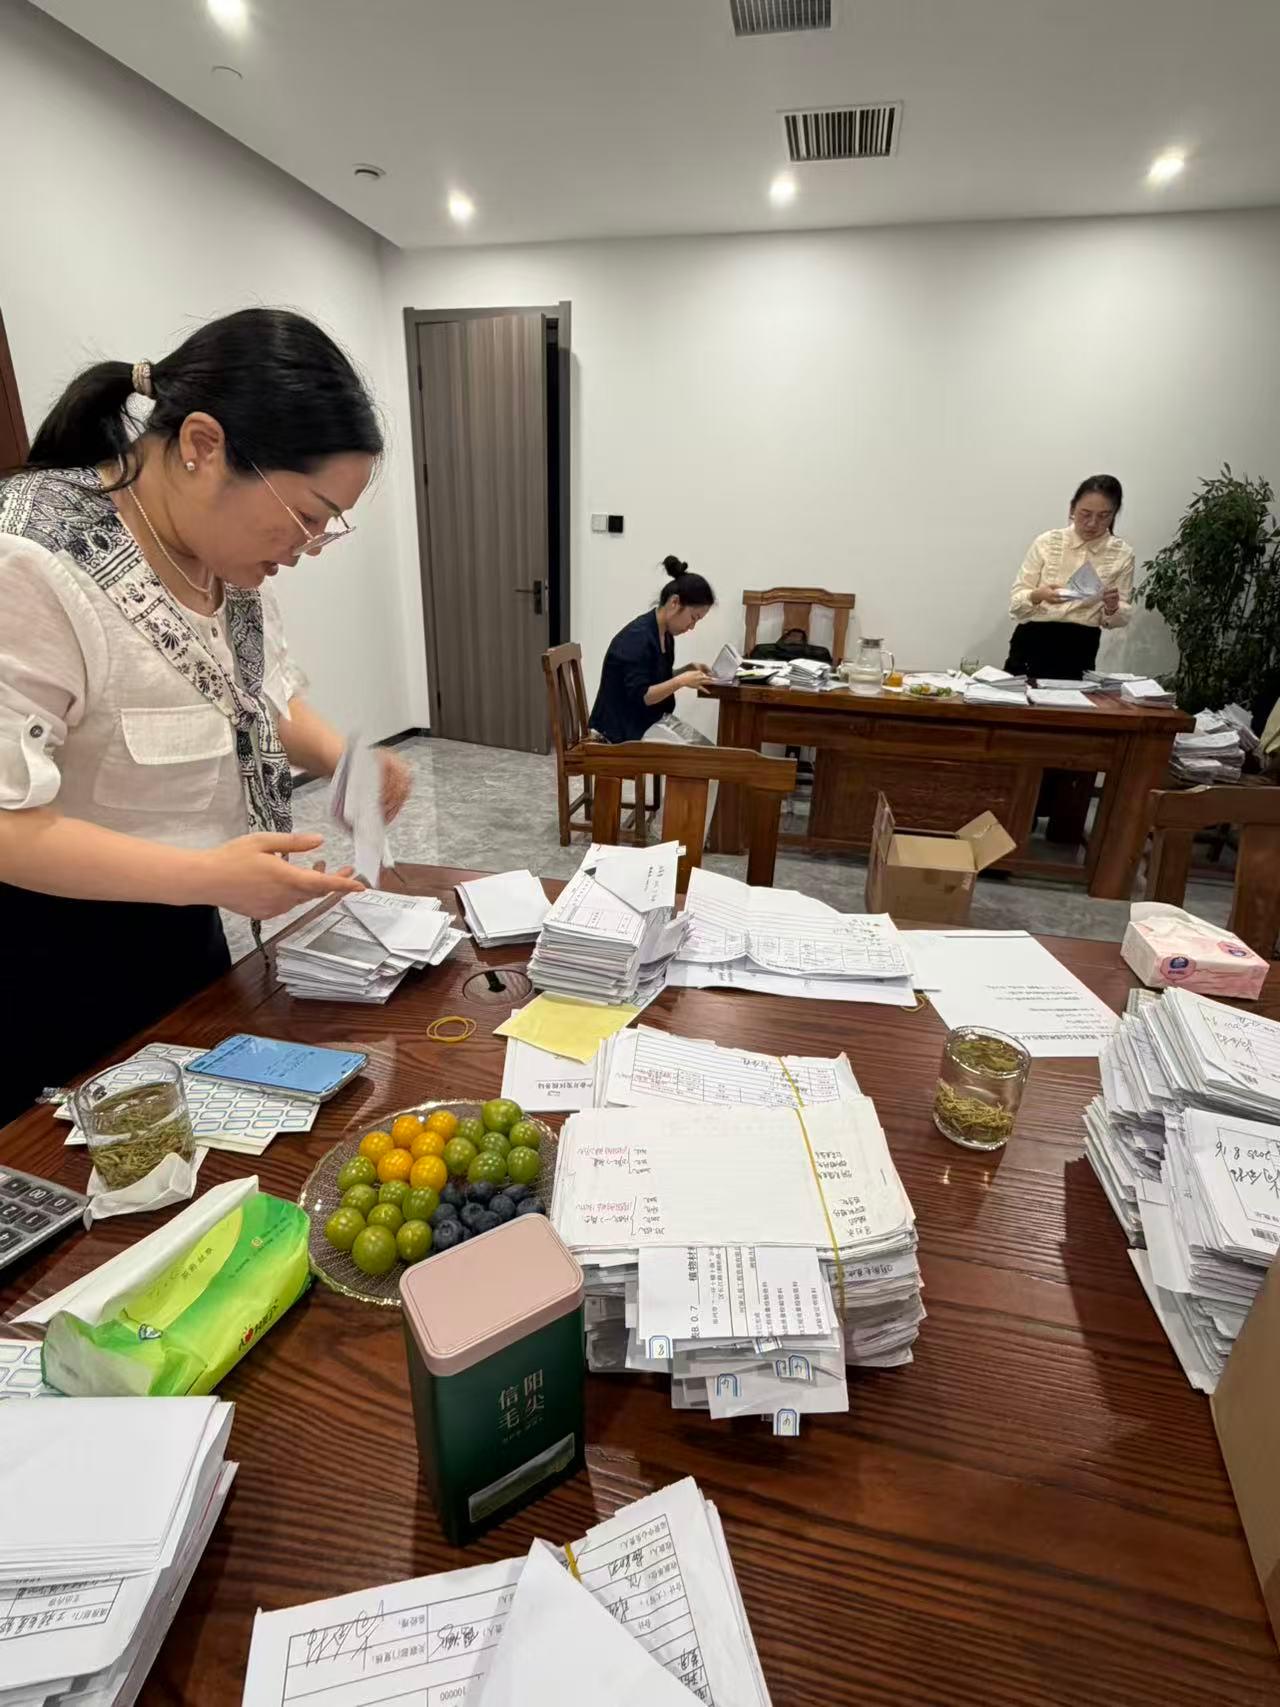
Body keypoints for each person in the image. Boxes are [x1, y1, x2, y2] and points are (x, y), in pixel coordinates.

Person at [0, 307, 413, 1122]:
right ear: (202, 445)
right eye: (307, 514)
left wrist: (344, 757)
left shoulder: (219, 559)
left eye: (329, 525)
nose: (310, 544)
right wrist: (209, 876)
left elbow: (251, 696)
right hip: (49, 958)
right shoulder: (31, 562)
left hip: (181, 928)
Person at [1005, 475, 1135, 679]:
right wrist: (1039, 595)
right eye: (1085, 514)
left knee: (1072, 698)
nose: (1092, 523)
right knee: (1020, 697)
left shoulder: (1122, 554)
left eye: (1103, 516)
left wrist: (1112, 607)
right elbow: (1016, 603)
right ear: (1072, 508)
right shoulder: (1047, 542)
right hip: (1033, 639)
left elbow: (1117, 618)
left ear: (1114, 515)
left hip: (1080, 646)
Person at [589, 557, 717, 748]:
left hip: (645, 722)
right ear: (674, 602)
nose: (692, 626)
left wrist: (686, 671)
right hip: (620, 732)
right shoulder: (638, 638)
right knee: (696, 757)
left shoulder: (664, 634)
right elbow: (643, 695)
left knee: (705, 749)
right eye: (693, 618)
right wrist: (681, 681)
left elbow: (654, 679)